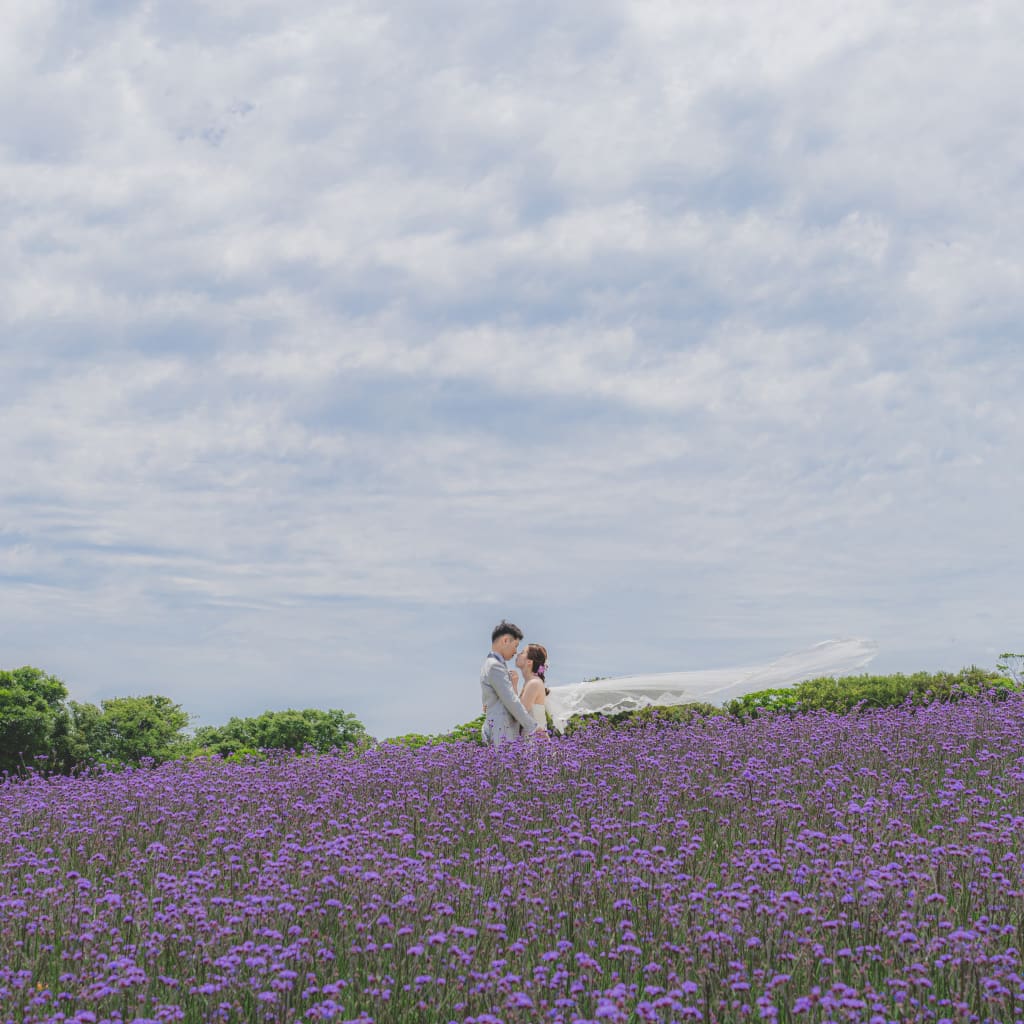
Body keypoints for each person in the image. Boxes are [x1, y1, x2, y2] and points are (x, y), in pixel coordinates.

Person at [480, 620, 547, 747]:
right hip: (502, 730)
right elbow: (510, 700)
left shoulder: (493, 665)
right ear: (505, 641)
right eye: (515, 646)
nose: (516, 651)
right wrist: (534, 727)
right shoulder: (494, 666)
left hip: (506, 732)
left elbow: (505, 699)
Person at [515, 642, 550, 731]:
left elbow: (518, 714)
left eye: (522, 652)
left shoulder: (534, 683)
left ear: (529, 662)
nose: (518, 654)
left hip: (534, 738)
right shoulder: (530, 683)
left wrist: (514, 686)